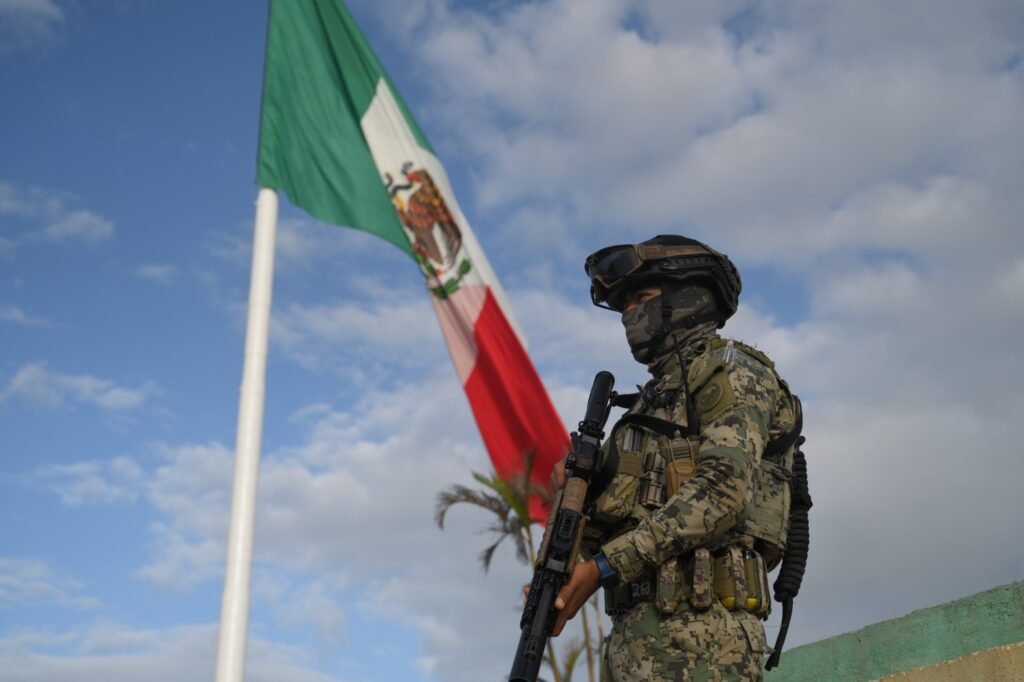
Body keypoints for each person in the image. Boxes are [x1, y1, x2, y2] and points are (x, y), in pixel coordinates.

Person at [548, 235, 803, 681]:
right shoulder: (644, 409)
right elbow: (617, 531)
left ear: (687, 295)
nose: (629, 313)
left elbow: (723, 492)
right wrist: (575, 497)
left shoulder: (732, 370)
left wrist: (604, 566)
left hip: (704, 638)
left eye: (641, 297)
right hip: (631, 640)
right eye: (623, 304)